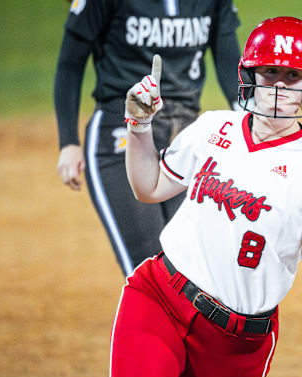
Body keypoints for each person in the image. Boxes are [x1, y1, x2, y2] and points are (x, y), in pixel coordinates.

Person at [108, 17, 302, 377]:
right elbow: (149, 188)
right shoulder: (212, 128)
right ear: (249, 75)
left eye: (292, 75)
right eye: (270, 71)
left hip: (237, 345)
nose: (277, 85)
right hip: (160, 299)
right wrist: (139, 126)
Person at [54, 0, 242, 277]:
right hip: (120, 132)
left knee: (193, 265)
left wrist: (248, 119)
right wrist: (68, 142)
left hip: (184, 137)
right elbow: (70, 63)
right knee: (149, 269)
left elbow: (228, 59)